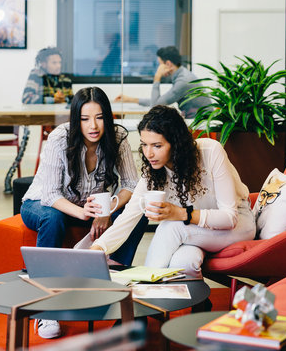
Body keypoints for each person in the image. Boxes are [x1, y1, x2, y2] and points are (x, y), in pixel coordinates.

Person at [20, 86, 148, 338]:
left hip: (91, 208)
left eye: (99, 118)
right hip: (44, 205)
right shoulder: (59, 138)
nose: (93, 126)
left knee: (140, 211)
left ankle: (113, 278)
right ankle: (46, 306)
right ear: (75, 119)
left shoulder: (118, 137)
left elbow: (132, 185)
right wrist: (83, 214)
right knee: (52, 217)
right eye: (85, 118)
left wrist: (107, 210)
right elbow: (50, 195)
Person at [90, 105, 256, 278]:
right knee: (183, 262)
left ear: (176, 143)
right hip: (195, 230)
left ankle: (146, 289)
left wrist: (181, 214)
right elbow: (128, 219)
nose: (149, 153)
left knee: (170, 227)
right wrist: (97, 249)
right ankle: (195, 303)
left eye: (157, 146)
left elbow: (229, 218)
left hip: (237, 225)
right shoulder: (154, 172)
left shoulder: (210, 151)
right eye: (144, 145)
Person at [114, 46, 210, 118]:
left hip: (201, 124)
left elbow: (155, 105)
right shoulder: (182, 75)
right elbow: (159, 101)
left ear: (168, 64)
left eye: (159, 64)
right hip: (196, 121)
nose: (158, 68)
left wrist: (157, 77)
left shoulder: (183, 81)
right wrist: (131, 99)